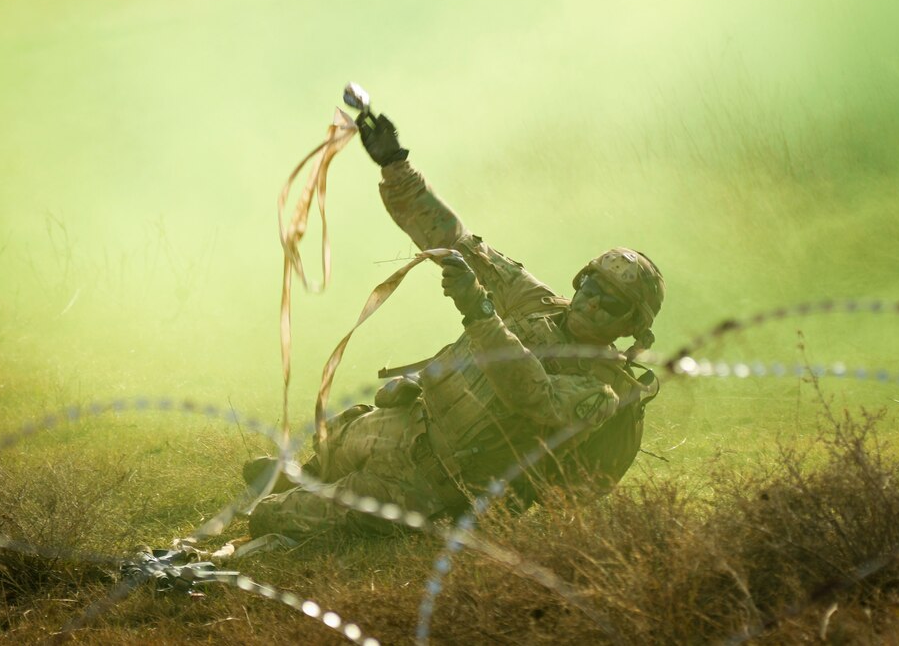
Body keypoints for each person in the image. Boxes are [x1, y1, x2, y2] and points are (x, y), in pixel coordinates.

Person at [246, 107, 665, 540]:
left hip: (428, 484)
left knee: (272, 517)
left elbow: (531, 392)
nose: (592, 304)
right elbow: (454, 239)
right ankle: (310, 475)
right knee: (333, 441)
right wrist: (395, 166)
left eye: (610, 304)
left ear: (628, 325)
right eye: (592, 287)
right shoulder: (536, 302)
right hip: (406, 423)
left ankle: (304, 499)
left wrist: (479, 310)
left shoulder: (602, 391)